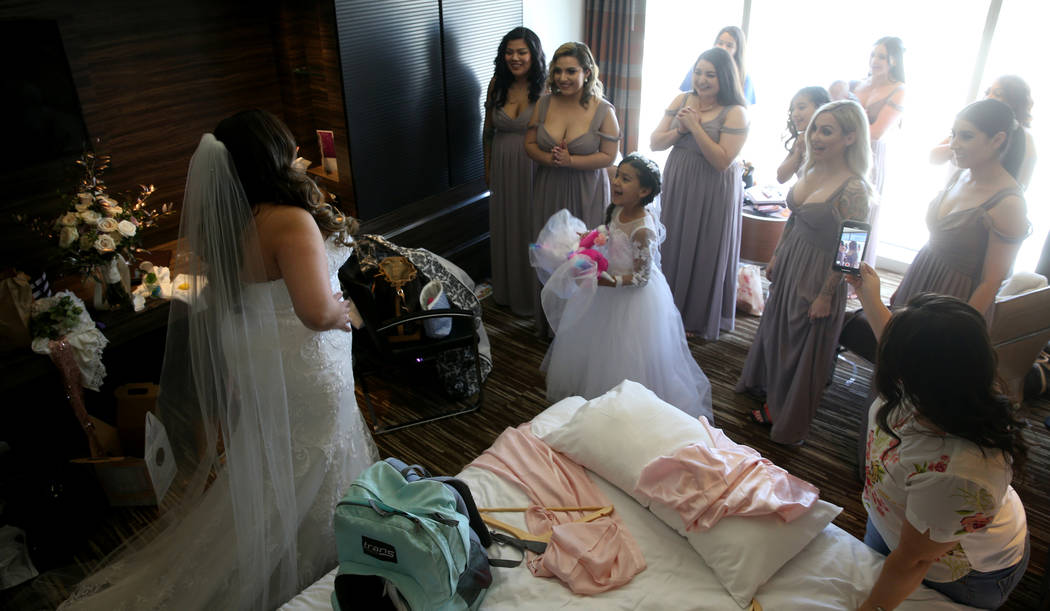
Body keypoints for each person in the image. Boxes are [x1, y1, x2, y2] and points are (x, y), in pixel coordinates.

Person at [60, 110, 379, 609]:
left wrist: (157, 281)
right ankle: (318, 566)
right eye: (288, 144)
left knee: (279, 461)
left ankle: (288, 557)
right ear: (270, 156)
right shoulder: (289, 219)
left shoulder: (229, 221)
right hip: (304, 361)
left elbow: (213, 291)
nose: (297, 151)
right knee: (316, 454)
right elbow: (316, 312)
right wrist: (350, 315)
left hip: (259, 357)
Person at [846, 270, 1030, 610]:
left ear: (910, 371)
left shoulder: (956, 471)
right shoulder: (953, 384)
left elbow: (913, 562)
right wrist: (869, 295)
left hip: (957, 571)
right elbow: (912, 345)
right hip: (907, 522)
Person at [842, 98, 1030, 364]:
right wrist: (907, 284)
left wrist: (957, 331)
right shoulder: (961, 174)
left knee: (923, 370)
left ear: (997, 140)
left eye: (965, 136)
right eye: (953, 134)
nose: (953, 144)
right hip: (922, 276)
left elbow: (991, 282)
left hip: (954, 299)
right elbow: (937, 240)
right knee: (893, 357)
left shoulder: (1009, 203)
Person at [531, 154, 713, 419]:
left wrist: (609, 281)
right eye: (617, 175)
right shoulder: (617, 210)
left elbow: (642, 278)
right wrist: (590, 239)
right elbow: (608, 232)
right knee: (598, 346)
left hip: (632, 297)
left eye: (625, 179)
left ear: (644, 191)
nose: (616, 182)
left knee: (627, 353)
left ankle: (626, 410)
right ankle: (596, 399)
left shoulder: (643, 229)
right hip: (606, 290)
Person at [736, 100, 871, 446]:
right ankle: (771, 392)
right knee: (779, 331)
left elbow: (851, 248)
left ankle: (785, 413)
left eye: (827, 131)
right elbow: (794, 218)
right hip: (794, 257)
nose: (816, 137)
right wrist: (778, 254)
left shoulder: (854, 188)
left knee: (799, 343)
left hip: (819, 271)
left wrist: (827, 293)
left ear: (850, 137)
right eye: (814, 129)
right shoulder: (813, 168)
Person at [653, 47, 748, 340]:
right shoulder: (682, 99)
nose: (702, 79)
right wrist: (680, 131)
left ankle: (696, 316)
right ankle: (666, 308)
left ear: (725, 78)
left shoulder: (736, 112)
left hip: (712, 187)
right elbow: (656, 142)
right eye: (698, 72)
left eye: (711, 74)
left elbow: (721, 160)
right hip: (680, 180)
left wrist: (694, 127)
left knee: (704, 245)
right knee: (675, 239)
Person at [525, 41, 620, 333]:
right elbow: (528, 144)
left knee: (582, 256)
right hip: (548, 185)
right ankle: (548, 323)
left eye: (571, 71)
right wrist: (550, 160)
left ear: (587, 72)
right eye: (557, 71)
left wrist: (571, 160)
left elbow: (609, 155)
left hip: (586, 188)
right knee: (550, 251)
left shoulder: (604, 110)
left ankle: (582, 329)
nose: (562, 78)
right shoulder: (543, 104)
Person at [484, 27, 546, 317]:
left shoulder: (547, 87)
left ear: (533, 54)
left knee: (531, 226)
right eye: (509, 52)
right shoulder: (497, 84)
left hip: (534, 165)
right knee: (506, 223)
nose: (515, 57)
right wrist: (487, 169)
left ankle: (534, 296)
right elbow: (487, 132)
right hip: (502, 162)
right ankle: (508, 292)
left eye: (522, 52)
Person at [851, 36, 906, 267]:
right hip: (845, 149)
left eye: (882, 56)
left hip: (870, 156)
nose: (875, 60)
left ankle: (850, 267)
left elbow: (876, 132)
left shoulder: (898, 90)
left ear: (894, 60)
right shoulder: (857, 84)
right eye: (873, 55)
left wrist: (850, 120)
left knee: (858, 213)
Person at [930, 75, 1037, 190]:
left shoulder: (1025, 139)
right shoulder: (975, 124)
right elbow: (934, 157)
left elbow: (1021, 185)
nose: (988, 97)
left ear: (1015, 102)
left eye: (997, 94)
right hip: (955, 190)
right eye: (988, 92)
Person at [679, 26, 756, 105]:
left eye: (729, 46)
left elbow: (744, 109)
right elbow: (685, 97)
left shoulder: (745, 78)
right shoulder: (698, 68)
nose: (723, 48)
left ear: (738, 51)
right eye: (720, 43)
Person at [777, 86, 831, 183]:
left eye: (801, 108)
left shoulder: (829, 141)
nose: (794, 114)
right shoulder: (801, 139)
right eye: (793, 109)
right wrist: (798, 151)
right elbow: (781, 177)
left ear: (820, 107)